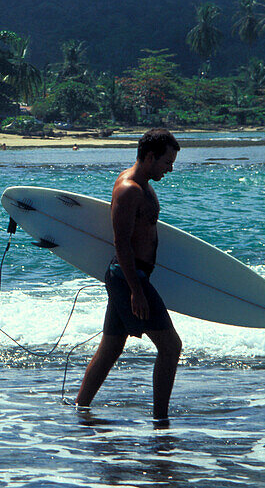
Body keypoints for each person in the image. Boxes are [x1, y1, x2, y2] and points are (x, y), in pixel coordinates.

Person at [75, 128, 182, 424]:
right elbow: (120, 242)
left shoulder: (144, 184)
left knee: (111, 347)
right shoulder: (128, 189)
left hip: (131, 277)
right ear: (150, 157)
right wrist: (136, 290)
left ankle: (80, 408)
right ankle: (161, 421)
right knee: (171, 347)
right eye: (166, 163)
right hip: (128, 277)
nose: (170, 169)